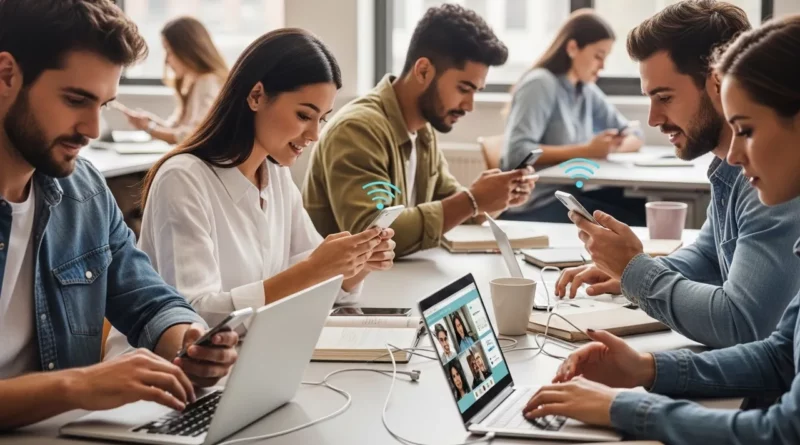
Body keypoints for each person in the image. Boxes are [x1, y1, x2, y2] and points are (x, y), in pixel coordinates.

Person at [523, 15, 800, 443]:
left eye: (746, 129)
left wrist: (628, 407)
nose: (735, 155)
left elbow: (779, 422)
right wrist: (646, 367)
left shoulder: (774, 191)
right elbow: (780, 355)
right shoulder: (740, 175)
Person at [0, 0, 237, 430]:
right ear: (6, 76)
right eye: (76, 100)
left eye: (104, 105)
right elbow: (80, 387)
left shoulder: (85, 192)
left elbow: (148, 302)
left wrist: (188, 340)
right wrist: (78, 387)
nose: (92, 128)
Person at [103, 28, 397, 358]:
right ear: (256, 96)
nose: (315, 134)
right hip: (162, 374)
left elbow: (314, 281)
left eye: (322, 119)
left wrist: (354, 266)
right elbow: (195, 320)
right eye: (304, 115)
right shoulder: (183, 179)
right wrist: (315, 269)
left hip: (248, 357)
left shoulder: (277, 177)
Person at [555, 0, 800, 348]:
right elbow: (710, 256)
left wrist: (636, 272)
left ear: (716, 84)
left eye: (664, 97)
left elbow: (742, 325)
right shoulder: (728, 168)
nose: (653, 119)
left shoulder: (776, 178)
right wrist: (628, 271)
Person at [302, 4, 536, 257]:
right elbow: (370, 235)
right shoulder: (358, 129)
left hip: (389, 280)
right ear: (423, 70)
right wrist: (472, 201)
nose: (469, 106)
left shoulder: (423, 130)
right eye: (463, 89)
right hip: (346, 291)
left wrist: (497, 197)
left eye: (475, 92)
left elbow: (455, 209)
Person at [500, 9, 645, 225]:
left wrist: (609, 148)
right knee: (636, 220)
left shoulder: (585, 90)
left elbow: (633, 132)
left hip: (570, 195)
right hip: (538, 203)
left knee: (642, 208)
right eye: (598, 56)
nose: (602, 66)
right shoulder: (541, 83)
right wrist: (587, 151)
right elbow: (517, 154)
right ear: (572, 47)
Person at [116, 17, 227, 145]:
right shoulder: (195, 82)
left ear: (187, 50)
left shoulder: (208, 82)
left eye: (169, 51)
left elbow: (193, 135)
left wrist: (149, 128)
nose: (167, 60)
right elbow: (179, 128)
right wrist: (151, 122)